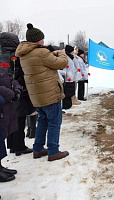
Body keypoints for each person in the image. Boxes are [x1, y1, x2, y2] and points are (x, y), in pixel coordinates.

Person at [15, 23, 69, 161]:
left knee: (43, 121)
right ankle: (53, 151)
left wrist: (52, 54)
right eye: (42, 39)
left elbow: (41, 61)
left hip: (37, 96)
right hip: (50, 94)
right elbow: (60, 64)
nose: (43, 41)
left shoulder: (24, 54)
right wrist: (62, 55)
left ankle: (38, 149)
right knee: (54, 122)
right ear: (37, 40)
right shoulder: (42, 52)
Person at [0, 32, 34, 156]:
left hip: (4, 93)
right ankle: (19, 146)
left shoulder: (1, 56)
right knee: (20, 118)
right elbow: (21, 74)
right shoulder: (17, 57)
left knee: (10, 118)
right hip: (18, 91)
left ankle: (12, 145)